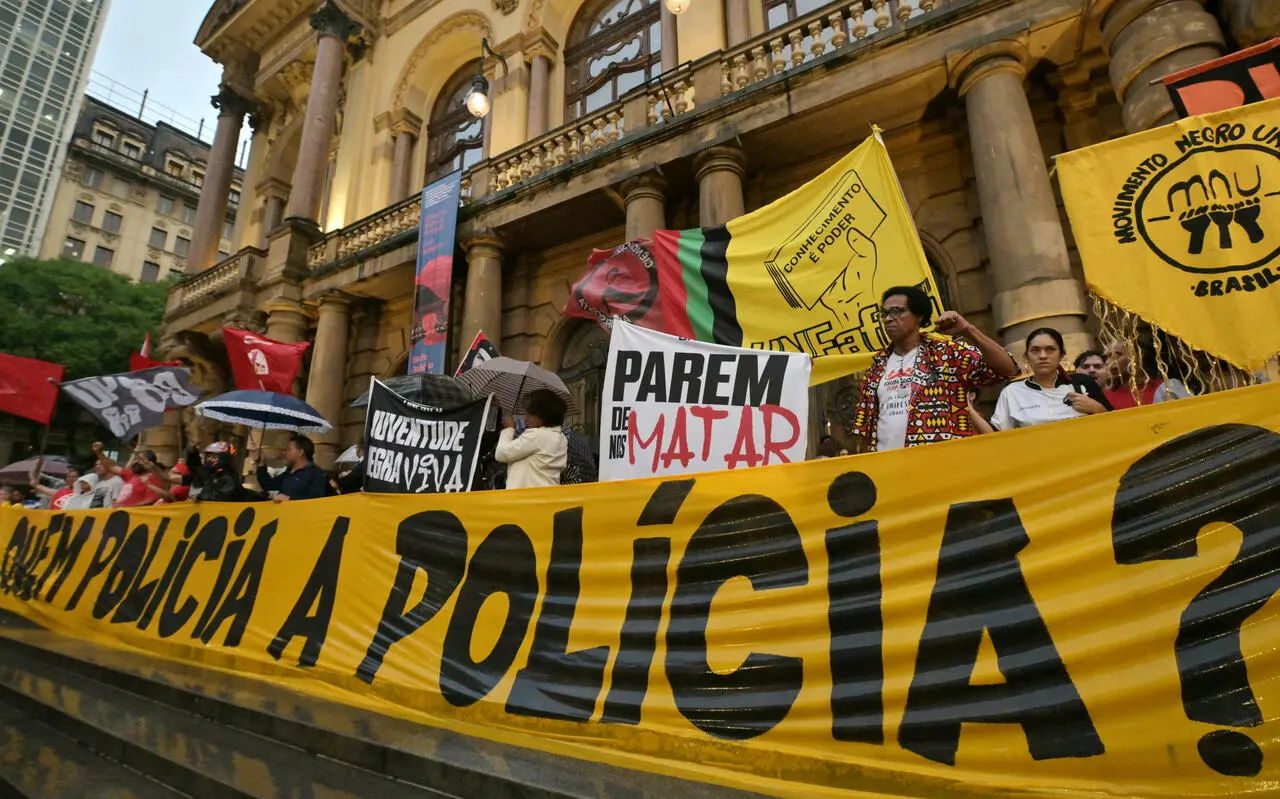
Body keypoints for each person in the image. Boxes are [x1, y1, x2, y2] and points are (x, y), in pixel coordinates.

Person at [851, 286, 1018, 451]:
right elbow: (866, 431)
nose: (888, 319)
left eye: (897, 311)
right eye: (885, 314)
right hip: (887, 468)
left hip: (941, 465)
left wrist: (969, 330)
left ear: (919, 316)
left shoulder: (948, 354)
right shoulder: (876, 368)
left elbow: (1008, 369)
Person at [989, 328, 1110, 431]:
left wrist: (1096, 408)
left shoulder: (1083, 383)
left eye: (1050, 349)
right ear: (1027, 357)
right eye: (1035, 350)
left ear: (1061, 355)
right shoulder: (1012, 392)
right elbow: (996, 437)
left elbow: (1114, 425)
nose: (1043, 356)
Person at [495, 390, 568, 489]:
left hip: (526, 499)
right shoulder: (561, 437)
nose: (526, 418)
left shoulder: (536, 436)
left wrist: (509, 429)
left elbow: (501, 454)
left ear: (543, 415)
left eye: (530, 414)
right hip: (547, 496)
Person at [1103, 339, 1193, 409]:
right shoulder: (1105, 398)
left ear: (1136, 357)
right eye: (1107, 357)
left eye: (1117, 355)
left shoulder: (1166, 389)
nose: (1108, 362)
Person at [250, 435, 328, 503]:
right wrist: (260, 463)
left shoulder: (315, 473)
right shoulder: (288, 473)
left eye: (289, 449)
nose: (285, 453)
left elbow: (316, 501)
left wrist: (290, 499)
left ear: (300, 452)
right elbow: (268, 485)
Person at [92, 443, 164, 509]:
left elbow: (151, 501)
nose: (135, 462)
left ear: (150, 462)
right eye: (136, 459)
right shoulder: (131, 475)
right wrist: (99, 452)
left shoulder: (152, 478)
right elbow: (110, 467)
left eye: (140, 459)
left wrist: (126, 508)